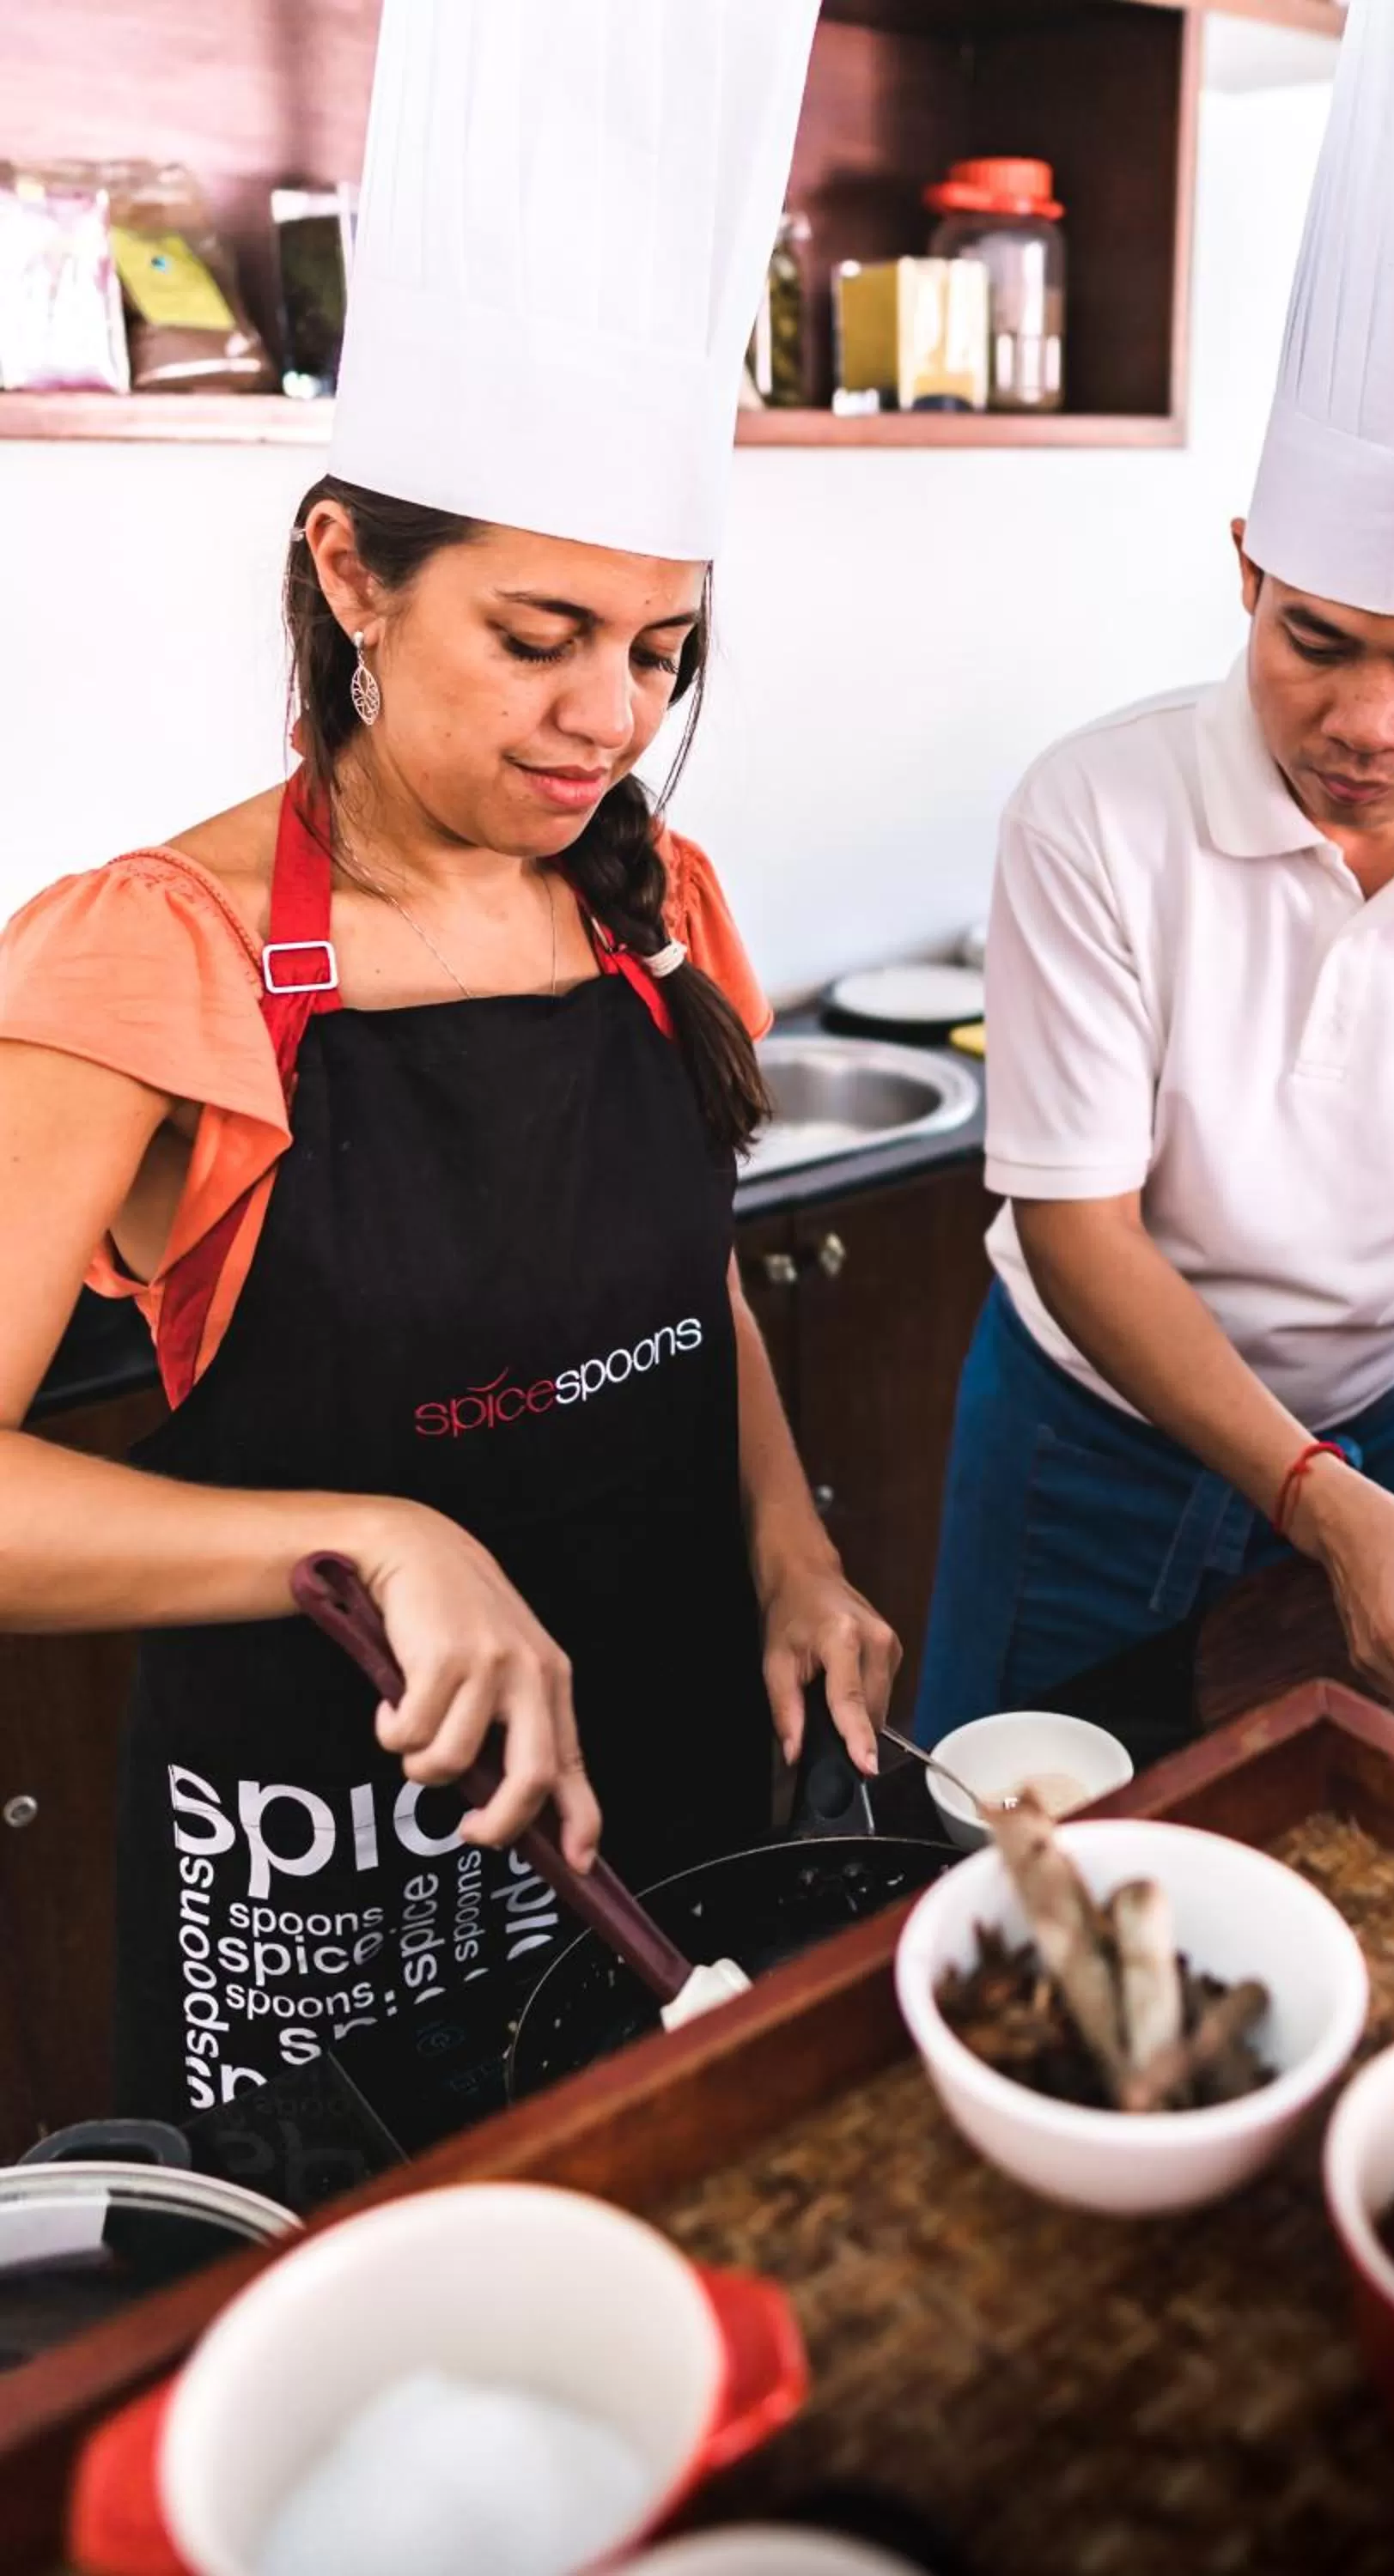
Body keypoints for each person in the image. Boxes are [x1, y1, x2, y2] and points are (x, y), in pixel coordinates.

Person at [0, 0, 888, 2122]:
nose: (609, 721)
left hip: (677, 1759)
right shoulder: (159, 954)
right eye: (539, 637)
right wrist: (369, 1539)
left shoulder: (660, 909)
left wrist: (794, 1550)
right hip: (350, 1845)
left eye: (659, 651)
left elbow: (689, 1303)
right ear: (354, 578)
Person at [917, 0, 1394, 1744]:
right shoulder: (1093, 815)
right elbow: (1079, 1227)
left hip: (1372, 1420)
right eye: (1320, 640)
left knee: (1343, 1827)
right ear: (1249, 568)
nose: (1371, 723)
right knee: (1017, 1840)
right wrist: (1316, 1500)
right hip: (1087, 1427)